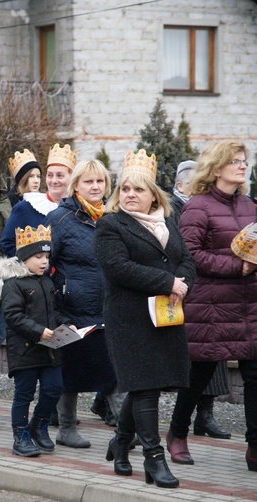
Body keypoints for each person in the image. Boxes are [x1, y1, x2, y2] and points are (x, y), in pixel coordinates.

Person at [94, 149, 195, 488]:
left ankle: (121, 443)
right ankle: (154, 458)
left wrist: (182, 283)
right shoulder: (110, 224)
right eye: (125, 189)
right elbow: (118, 268)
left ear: (154, 194)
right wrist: (168, 282)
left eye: (138, 189)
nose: (130, 195)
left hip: (164, 316)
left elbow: (186, 261)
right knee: (145, 387)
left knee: (143, 387)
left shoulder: (167, 222)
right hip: (129, 319)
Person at [167, 140, 257, 471]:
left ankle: (255, 447)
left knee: (255, 374)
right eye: (235, 161)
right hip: (211, 304)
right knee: (199, 373)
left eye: (244, 161)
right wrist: (236, 266)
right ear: (216, 168)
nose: (242, 166)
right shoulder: (197, 207)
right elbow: (189, 255)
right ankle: (177, 433)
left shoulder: (249, 204)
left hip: (249, 304)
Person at [43, 159, 118, 449]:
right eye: (89, 181)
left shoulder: (111, 218)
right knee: (68, 373)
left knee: (114, 372)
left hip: (107, 310)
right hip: (70, 311)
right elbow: (42, 265)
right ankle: (65, 428)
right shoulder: (59, 219)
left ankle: (127, 429)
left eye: (100, 181)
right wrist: (55, 309)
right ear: (76, 185)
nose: (95, 187)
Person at [169, 159, 232, 440]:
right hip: (184, 286)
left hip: (212, 289)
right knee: (196, 358)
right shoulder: (173, 208)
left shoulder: (211, 206)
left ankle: (204, 416)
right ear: (181, 185)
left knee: (214, 352)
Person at [0, 225, 70, 457]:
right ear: (24, 258)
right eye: (38, 257)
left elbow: (53, 312)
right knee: (24, 394)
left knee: (54, 388)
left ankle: (38, 426)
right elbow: (13, 316)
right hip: (25, 351)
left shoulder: (46, 282)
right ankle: (21, 435)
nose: (44, 262)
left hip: (49, 350)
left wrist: (66, 323)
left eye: (46, 257)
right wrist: (38, 332)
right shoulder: (13, 284)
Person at [0, 145, 75, 257]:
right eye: (50, 175)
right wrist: (30, 262)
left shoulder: (78, 208)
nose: (54, 180)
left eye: (60, 175)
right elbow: (7, 243)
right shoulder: (27, 206)